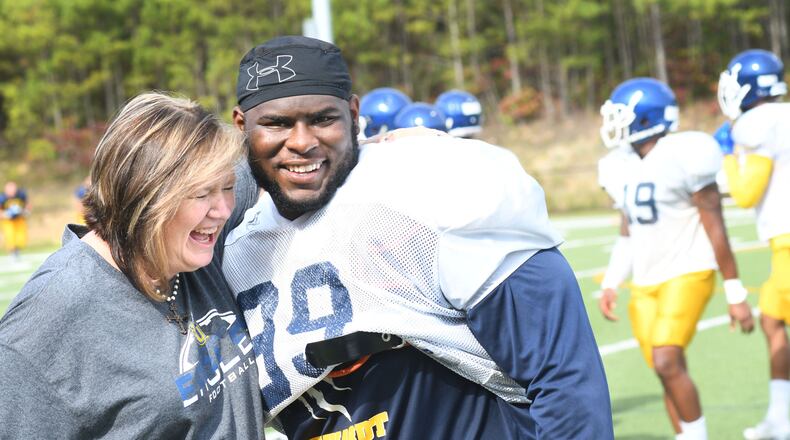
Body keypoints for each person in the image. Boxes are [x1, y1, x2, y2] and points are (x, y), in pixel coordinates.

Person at [225, 35, 613, 439]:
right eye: (277, 123)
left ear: (353, 114)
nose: (303, 142)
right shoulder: (228, 249)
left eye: (324, 119)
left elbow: (561, 373)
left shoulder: (422, 187)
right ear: (242, 125)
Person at [0, 92, 266, 439]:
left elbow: (282, 155)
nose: (222, 210)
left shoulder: (190, 247)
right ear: (143, 197)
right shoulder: (50, 316)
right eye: (201, 194)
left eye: (227, 188)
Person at [597, 77, 754, 440]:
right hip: (646, 280)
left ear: (645, 118)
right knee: (664, 368)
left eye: (621, 115)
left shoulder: (687, 153)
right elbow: (628, 230)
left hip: (689, 270)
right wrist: (611, 281)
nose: (613, 124)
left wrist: (735, 293)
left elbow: (716, 225)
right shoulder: (619, 165)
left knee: (667, 360)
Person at [716, 48, 790, 440]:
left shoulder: (754, 122)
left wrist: (728, 154)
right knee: (772, 319)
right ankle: (780, 418)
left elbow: (745, 193)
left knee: (774, 320)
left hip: (788, 243)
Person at [0, 181, 30, 261]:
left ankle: (17, 251)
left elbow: (27, 204)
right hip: (8, 221)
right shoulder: (2, 198)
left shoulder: (21, 195)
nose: (12, 191)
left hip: (19, 219)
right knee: (10, 236)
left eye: (13, 189)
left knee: (21, 237)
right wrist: (5, 214)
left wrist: (26, 211)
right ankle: (12, 253)